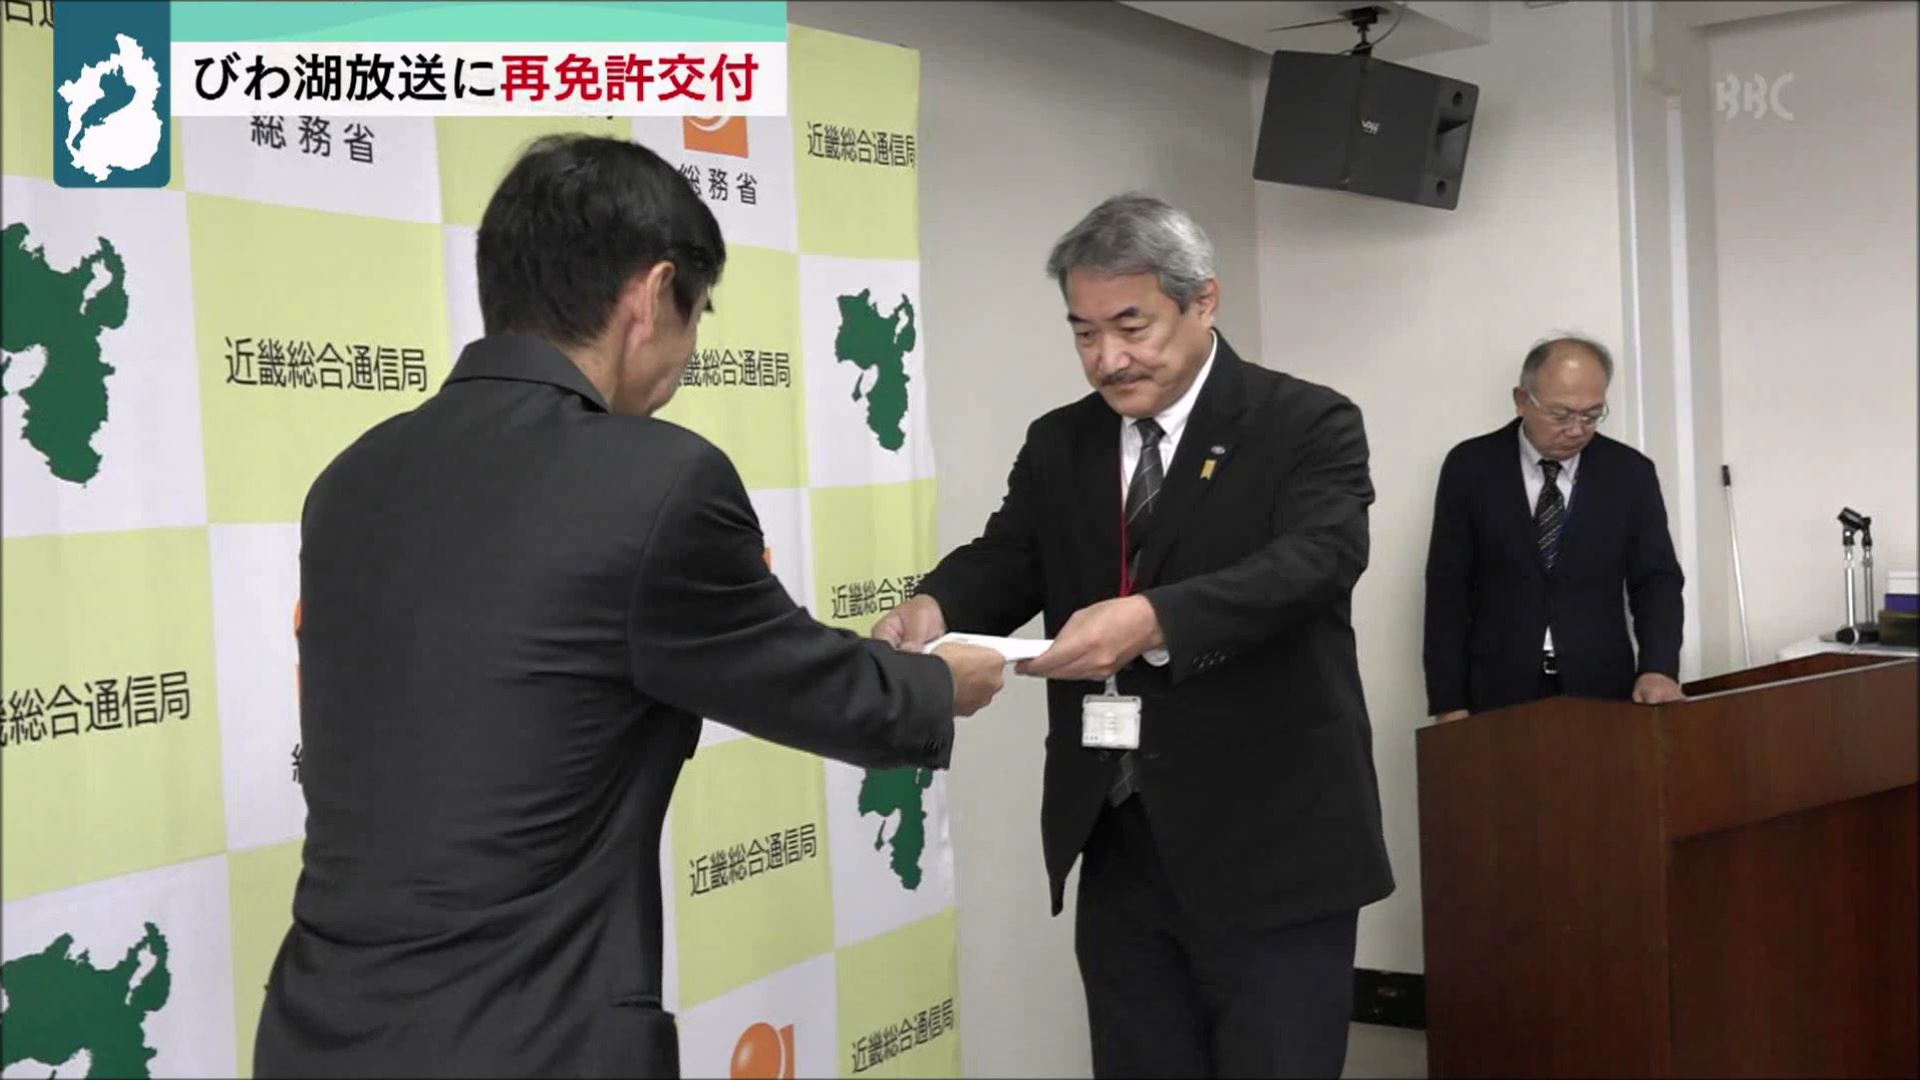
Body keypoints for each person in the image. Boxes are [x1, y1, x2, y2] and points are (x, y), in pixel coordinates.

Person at [253, 134, 1007, 1079]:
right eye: (697, 315)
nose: (689, 354)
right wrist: (939, 682)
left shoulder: (352, 479)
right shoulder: (657, 481)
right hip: (525, 1044)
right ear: (650, 297)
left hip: (316, 1033)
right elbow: (813, 683)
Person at [873, 193, 1395, 1078]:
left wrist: (1154, 619)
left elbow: (1318, 560)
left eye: (1131, 326)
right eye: (1083, 334)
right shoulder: (1061, 442)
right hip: (1119, 828)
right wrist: (934, 605)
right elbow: (1012, 556)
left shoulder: (1304, 421)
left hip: (1273, 837)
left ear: (1204, 302)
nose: (1107, 359)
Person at [1422, 335, 1686, 723]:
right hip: (1495, 692)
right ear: (1521, 400)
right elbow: (1448, 590)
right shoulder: (1470, 468)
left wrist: (1658, 668)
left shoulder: (1630, 474)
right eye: (1561, 415)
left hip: (1601, 688)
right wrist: (1448, 701)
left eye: (1591, 415)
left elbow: (1656, 579)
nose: (1577, 430)